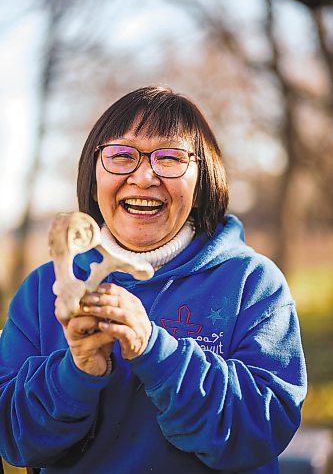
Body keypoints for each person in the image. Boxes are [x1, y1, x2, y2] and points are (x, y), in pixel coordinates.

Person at [0, 86, 306, 473]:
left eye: (170, 157)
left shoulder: (253, 283)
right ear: (93, 174)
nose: (144, 177)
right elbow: (12, 438)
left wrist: (156, 353)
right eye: (121, 155)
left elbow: (263, 429)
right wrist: (76, 372)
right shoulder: (44, 290)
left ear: (202, 180)